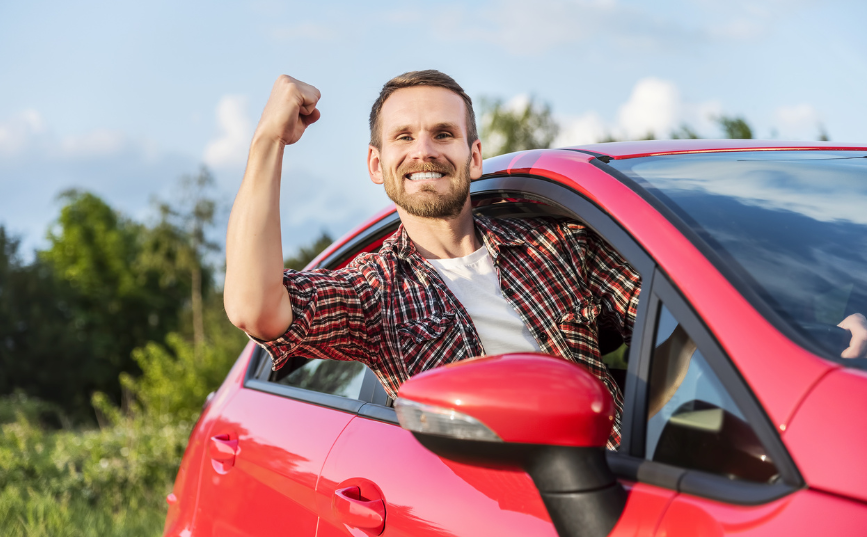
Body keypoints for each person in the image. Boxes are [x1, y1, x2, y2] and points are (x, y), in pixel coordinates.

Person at [224, 70, 867, 450]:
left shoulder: (560, 244)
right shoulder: (373, 291)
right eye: (404, 137)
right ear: (376, 165)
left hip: (622, 483)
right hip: (495, 507)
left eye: (444, 134)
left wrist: (823, 330)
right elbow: (256, 306)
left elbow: (690, 315)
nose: (426, 150)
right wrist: (266, 142)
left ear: (474, 156)